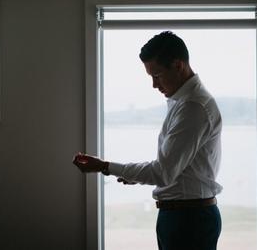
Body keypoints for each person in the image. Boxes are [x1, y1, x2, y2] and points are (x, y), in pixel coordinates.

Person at [73, 31, 222, 250]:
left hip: (188, 220)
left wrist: (104, 166)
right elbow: (176, 168)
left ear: (178, 65)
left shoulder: (192, 107)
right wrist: (137, 175)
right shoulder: (183, 103)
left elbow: (163, 172)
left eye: (158, 75)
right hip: (183, 215)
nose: (154, 85)